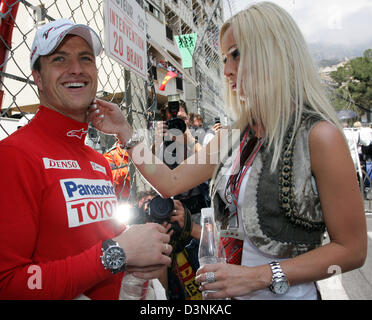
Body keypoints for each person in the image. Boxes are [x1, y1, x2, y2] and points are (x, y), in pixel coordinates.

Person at [89, 2, 367, 300]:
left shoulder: (318, 136)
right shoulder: (235, 137)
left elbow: (351, 251)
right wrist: (126, 133)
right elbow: (169, 182)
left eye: (236, 54)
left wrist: (257, 277)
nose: (226, 70)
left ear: (271, 53)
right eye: (223, 58)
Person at [0, 19, 172, 299]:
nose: (76, 69)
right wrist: (117, 253)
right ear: (38, 78)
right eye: (59, 59)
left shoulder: (98, 162)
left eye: (85, 58)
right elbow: (8, 285)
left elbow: (105, 240)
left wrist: (140, 253)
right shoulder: (12, 157)